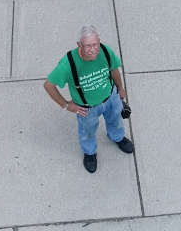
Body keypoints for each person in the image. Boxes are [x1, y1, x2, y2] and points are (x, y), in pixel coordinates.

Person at [44, 25, 134, 173]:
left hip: (111, 97)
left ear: (99, 41)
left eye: (95, 44)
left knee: (116, 120)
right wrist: (66, 105)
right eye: (87, 46)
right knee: (88, 131)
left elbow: (114, 70)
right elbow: (48, 85)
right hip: (86, 107)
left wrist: (120, 88)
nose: (93, 49)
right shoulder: (68, 64)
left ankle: (117, 137)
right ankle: (90, 152)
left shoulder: (105, 51)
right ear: (79, 45)